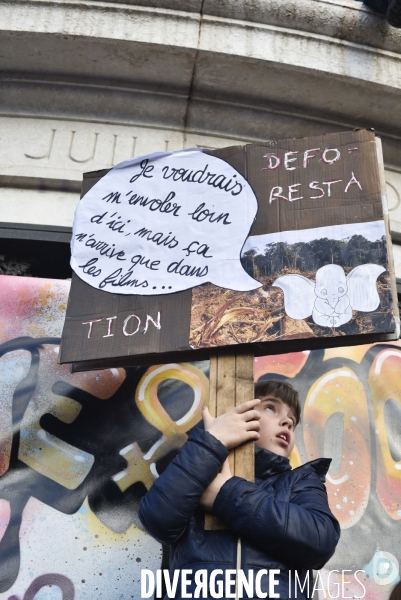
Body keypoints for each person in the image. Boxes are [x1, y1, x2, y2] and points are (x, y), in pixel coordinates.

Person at [139, 380, 340, 599]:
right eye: (271, 408)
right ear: (238, 414)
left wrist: (225, 494)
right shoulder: (201, 469)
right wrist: (211, 441)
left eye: (292, 422)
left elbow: (321, 541)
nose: (286, 422)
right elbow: (157, 519)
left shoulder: (300, 481)